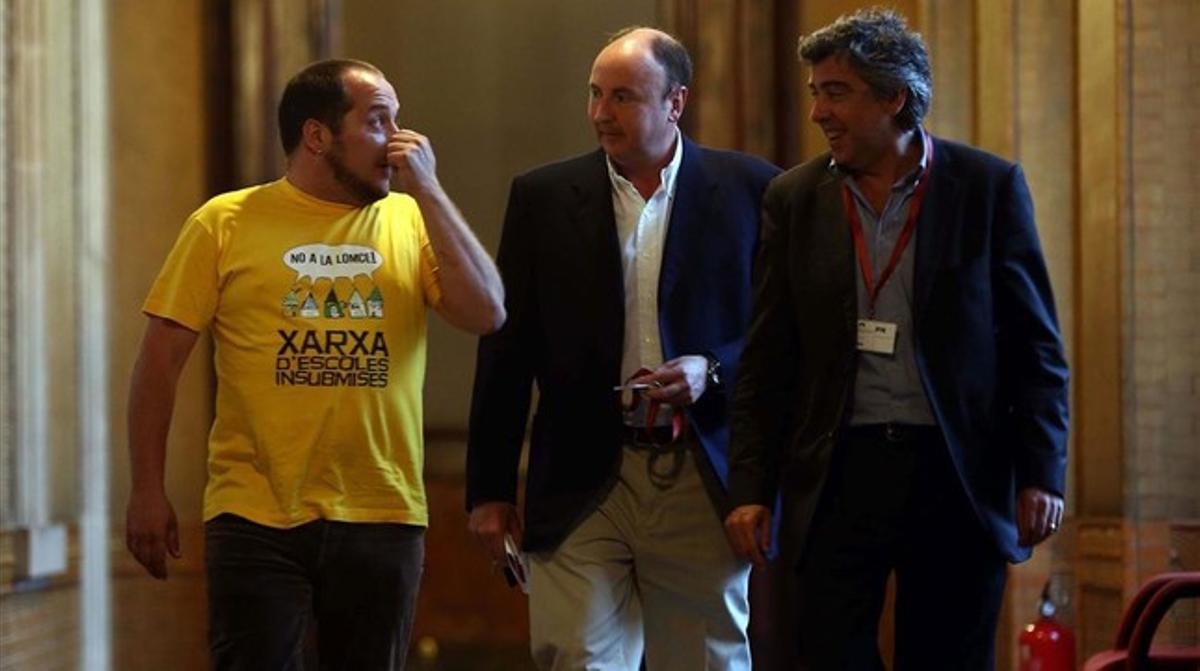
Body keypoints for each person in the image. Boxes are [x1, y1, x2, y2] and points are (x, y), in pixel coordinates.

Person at [124, 58, 504, 670]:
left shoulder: (411, 218)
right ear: (317, 136)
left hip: (382, 511)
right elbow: (159, 362)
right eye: (379, 121)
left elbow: (488, 312)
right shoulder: (223, 223)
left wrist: (429, 190)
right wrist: (146, 488)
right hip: (254, 514)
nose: (402, 141)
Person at [723, 9, 1069, 670]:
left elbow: (1038, 348)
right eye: (815, 92)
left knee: (946, 656)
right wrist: (750, 485)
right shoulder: (793, 199)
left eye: (836, 92)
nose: (819, 111)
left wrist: (1041, 471)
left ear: (894, 98)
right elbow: (767, 355)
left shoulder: (987, 188)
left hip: (956, 472)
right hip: (834, 474)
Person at [466, 27, 779, 671]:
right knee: (576, 656)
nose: (601, 114)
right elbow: (507, 345)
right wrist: (489, 490)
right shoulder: (542, 197)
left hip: (701, 468)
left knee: (705, 660)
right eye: (595, 94)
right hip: (581, 473)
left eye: (624, 97)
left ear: (676, 102)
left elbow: (784, 338)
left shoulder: (754, 189)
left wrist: (711, 368)